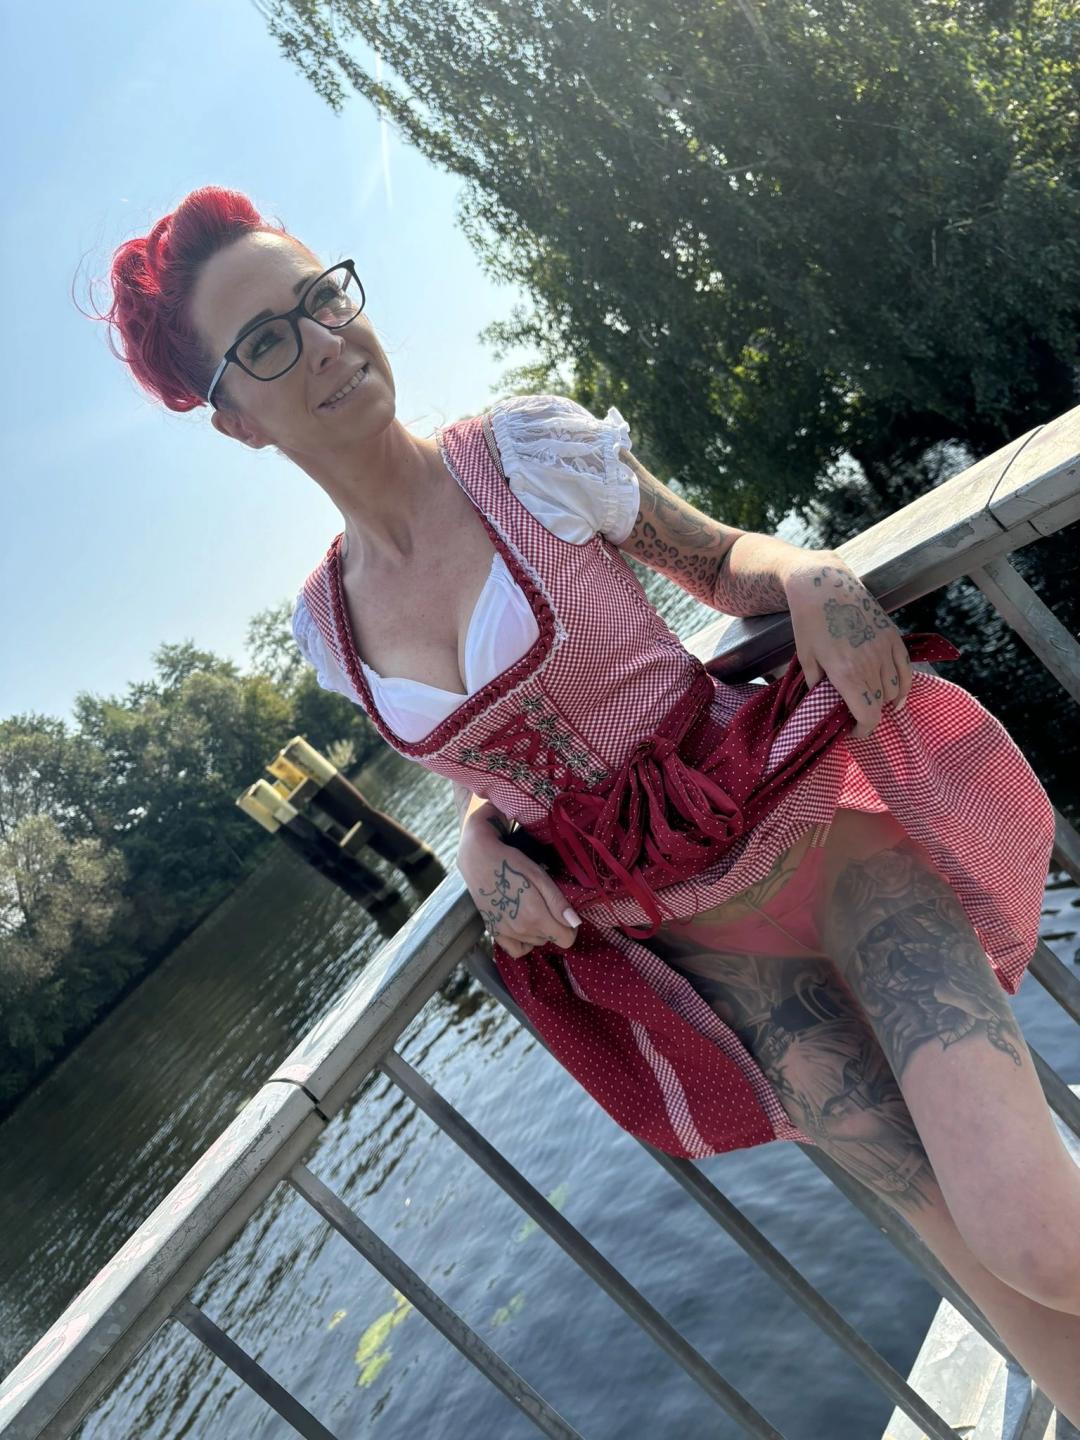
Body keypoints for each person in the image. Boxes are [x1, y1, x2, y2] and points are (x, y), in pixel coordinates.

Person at [94, 185, 1078, 1423]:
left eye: (321, 297)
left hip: (828, 847)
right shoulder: (326, 629)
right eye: (269, 339)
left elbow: (718, 560)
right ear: (233, 417)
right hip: (714, 967)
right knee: (989, 1276)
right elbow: (486, 777)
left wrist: (813, 575)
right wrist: (477, 842)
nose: (327, 341)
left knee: (1035, 1233)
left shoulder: (521, 453)